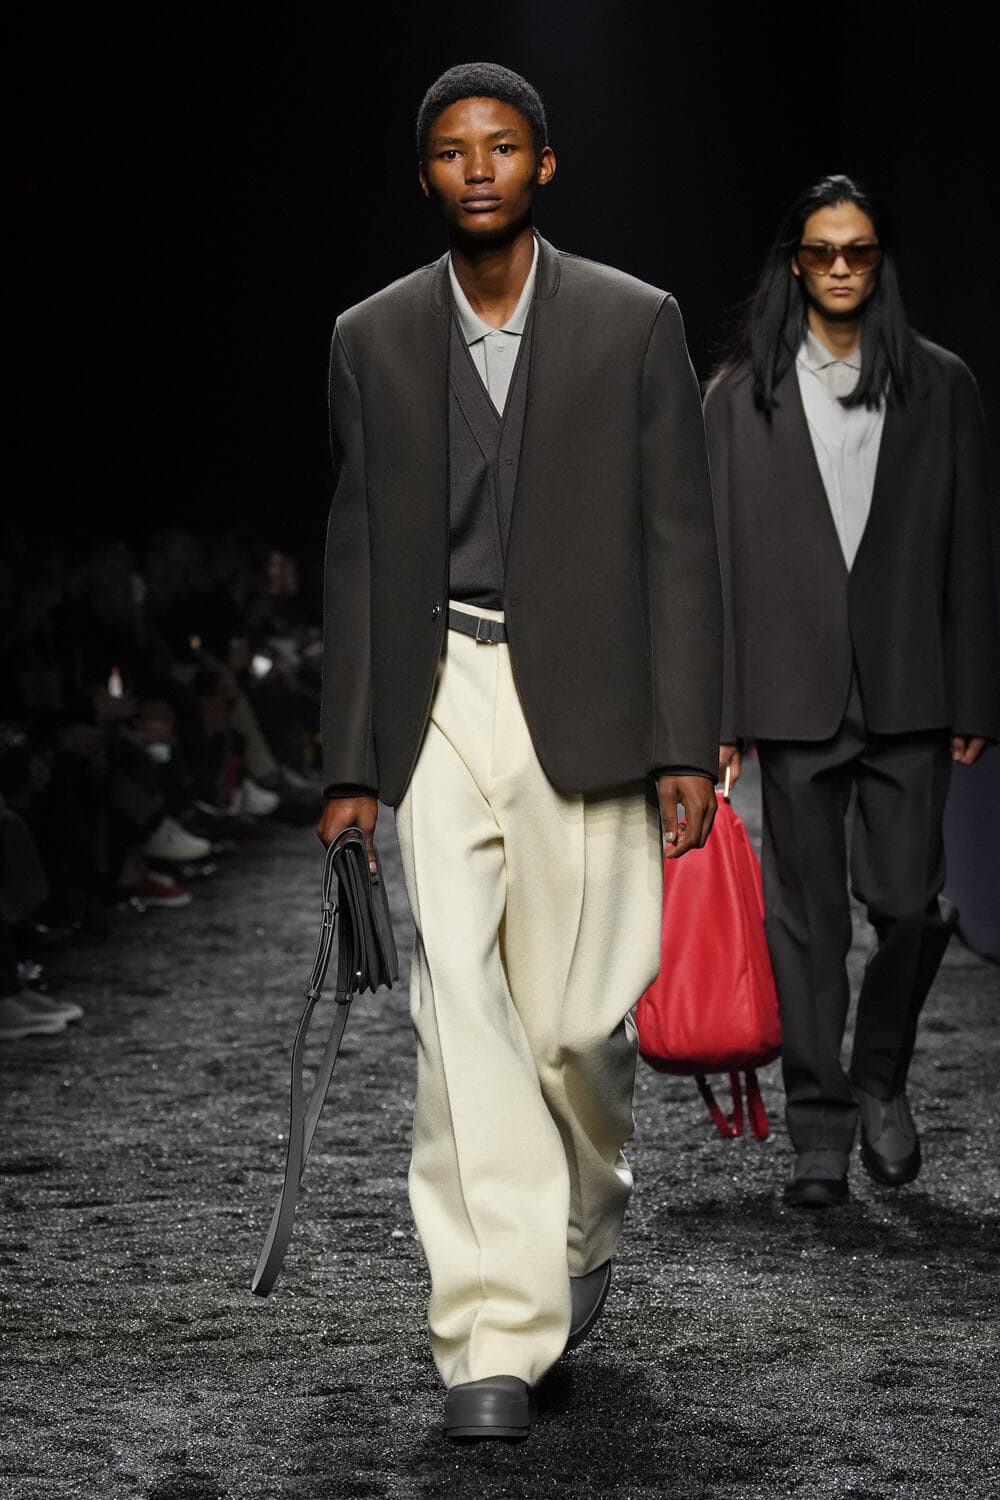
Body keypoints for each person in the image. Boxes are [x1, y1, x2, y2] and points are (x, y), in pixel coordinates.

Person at [316, 62, 722, 1438]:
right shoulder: (370, 337)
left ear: (544, 165)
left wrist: (685, 736)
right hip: (438, 693)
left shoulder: (632, 320)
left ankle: (583, 1218)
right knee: (460, 1016)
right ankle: (490, 1330)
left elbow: (679, 539)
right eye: (451, 150)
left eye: (501, 146)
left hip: (594, 703)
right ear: (425, 175)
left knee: (571, 1028)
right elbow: (357, 556)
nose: (477, 168)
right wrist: (348, 766)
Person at [706, 175, 1000, 1209]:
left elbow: (970, 549)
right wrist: (718, 716)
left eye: (859, 250)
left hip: (910, 685)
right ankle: (820, 1134)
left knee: (906, 908)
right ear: (795, 263)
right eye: (822, 251)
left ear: (879, 262)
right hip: (790, 693)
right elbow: (715, 568)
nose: (840, 267)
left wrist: (975, 694)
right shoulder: (738, 398)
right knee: (805, 923)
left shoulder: (939, 385)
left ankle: (878, 1075)